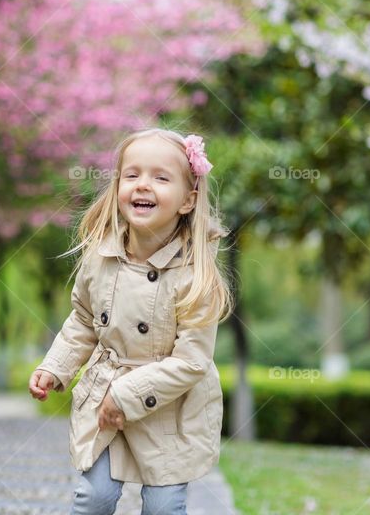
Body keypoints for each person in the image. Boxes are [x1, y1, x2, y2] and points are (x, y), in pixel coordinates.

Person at [29, 128, 234, 515]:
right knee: (95, 498)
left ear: (188, 200)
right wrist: (55, 367)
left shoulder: (196, 277)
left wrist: (127, 395)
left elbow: (192, 361)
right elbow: (83, 321)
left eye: (161, 177)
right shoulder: (101, 258)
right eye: (132, 175)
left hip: (168, 411)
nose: (143, 185)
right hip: (105, 398)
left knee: (162, 507)